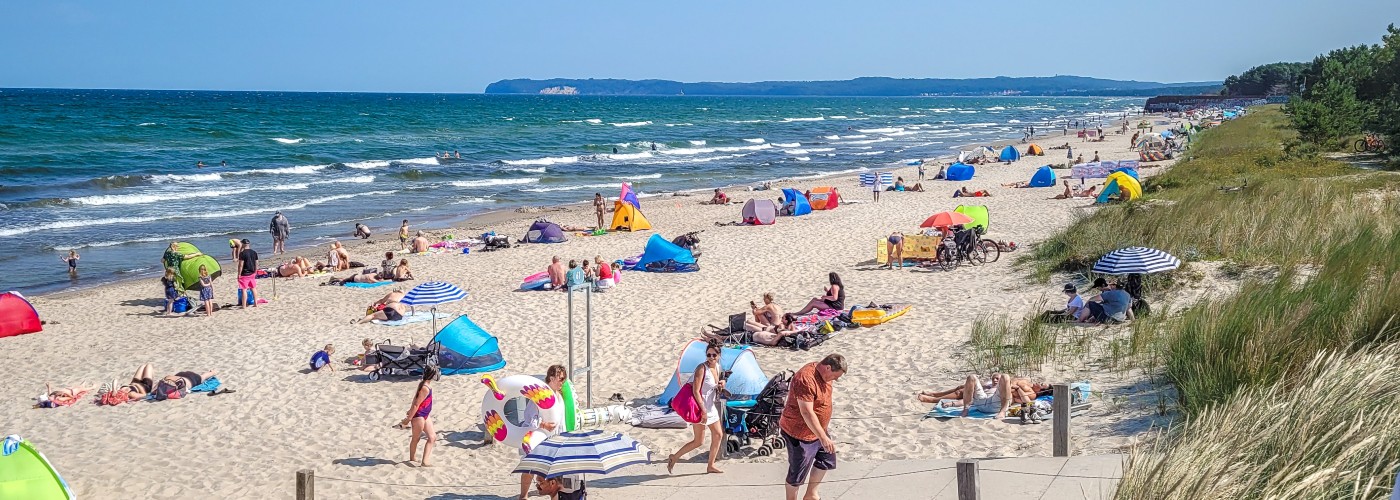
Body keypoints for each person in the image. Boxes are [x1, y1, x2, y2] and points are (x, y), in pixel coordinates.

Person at [779, 354, 846, 500]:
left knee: (826, 458)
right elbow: (806, 412)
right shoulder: (805, 379)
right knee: (797, 472)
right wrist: (823, 437)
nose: (835, 380)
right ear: (827, 367)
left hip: (818, 430)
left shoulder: (825, 374)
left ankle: (811, 494)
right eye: (835, 376)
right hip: (798, 432)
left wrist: (822, 434)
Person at [666, 339, 727, 474]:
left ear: (719, 356)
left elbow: (714, 385)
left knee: (718, 434)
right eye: (708, 355)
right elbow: (695, 391)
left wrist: (721, 383)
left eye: (714, 355)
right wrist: (703, 411)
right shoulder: (701, 368)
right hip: (700, 408)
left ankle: (710, 465)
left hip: (710, 407)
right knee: (698, 441)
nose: (711, 358)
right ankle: (674, 457)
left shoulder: (717, 367)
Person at [519, 365, 573, 499]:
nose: (563, 382)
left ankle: (553, 497)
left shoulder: (559, 397)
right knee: (530, 468)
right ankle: (523, 496)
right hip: (539, 438)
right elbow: (529, 417)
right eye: (561, 379)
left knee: (553, 471)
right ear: (551, 378)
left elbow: (562, 421)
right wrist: (544, 425)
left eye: (564, 379)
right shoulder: (540, 396)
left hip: (554, 439)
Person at [917, 374, 1044, 419]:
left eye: (1043, 385)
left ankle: (1002, 411)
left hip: (996, 402)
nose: (1041, 383)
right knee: (966, 382)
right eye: (1042, 382)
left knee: (1005, 376)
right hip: (983, 397)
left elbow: (1025, 401)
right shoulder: (1026, 381)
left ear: (1042, 391)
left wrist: (1015, 388)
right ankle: (934, 395)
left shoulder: (1030, 391)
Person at [405, 365, 439, 467]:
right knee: (416, 438)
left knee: (432, 437)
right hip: (419, 416)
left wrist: (410, 410)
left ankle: (425, 461)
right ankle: (412, 458)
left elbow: (416, 400)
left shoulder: (426, 385)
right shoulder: (425, 387)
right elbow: (416, 403)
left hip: (425, 414)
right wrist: (409, 418)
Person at [236, 239, 258, 309]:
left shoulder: (242, 253)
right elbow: (256, 263)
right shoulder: (254, 252)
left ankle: (244, 305)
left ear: (243, 244)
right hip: (252, 272)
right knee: (253, 288)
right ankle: (256, 303)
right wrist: (255, 271)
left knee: (244, 289)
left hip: (245, 274)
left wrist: (239, 274)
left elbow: (241, 265)